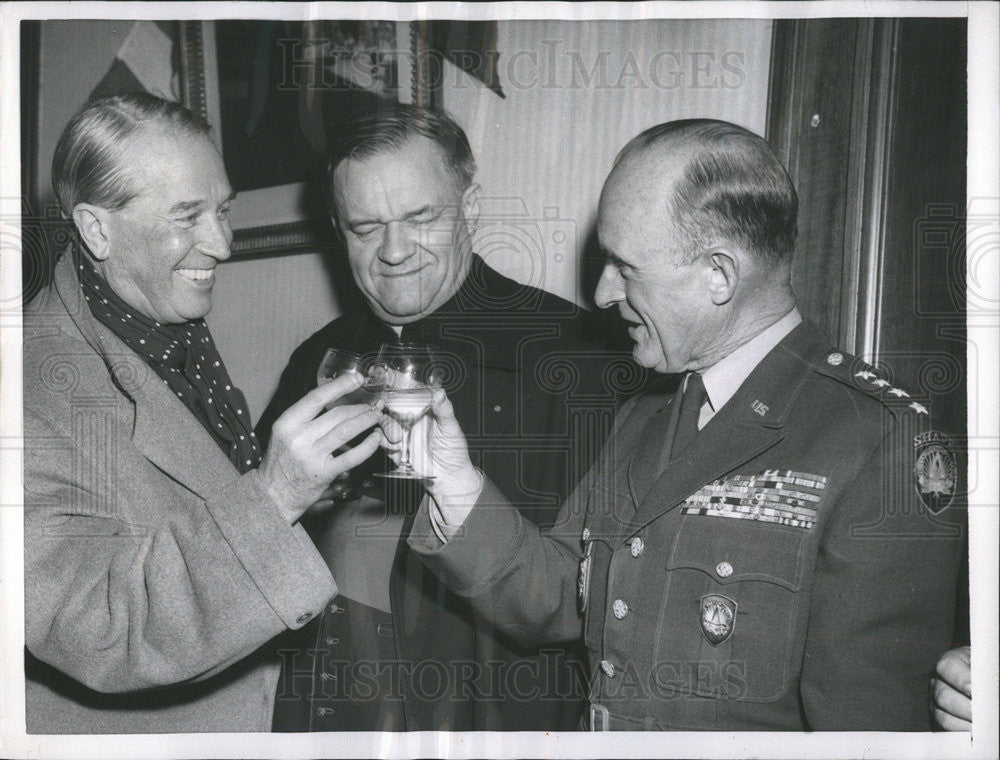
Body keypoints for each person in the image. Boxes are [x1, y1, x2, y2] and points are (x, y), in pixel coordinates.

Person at [398, 118, 967, 730]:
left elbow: (866, 729)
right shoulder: (646, 414)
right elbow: (564, 596)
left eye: (625, 266)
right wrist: (449, 477)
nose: (600, 292)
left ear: (719, 275)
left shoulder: (878, 439)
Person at [257, 103, 634, 731]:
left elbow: (591, 600)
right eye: (365, 226)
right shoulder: (315, 364)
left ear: (471, 204)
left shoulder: (578, 357)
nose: (394, 250)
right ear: (336, 228)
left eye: (420, 216)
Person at [23, 93, 381, 733]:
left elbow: (191, 503)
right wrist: (274, 495)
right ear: (95, 229)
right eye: (188, 217)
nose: (222, 244)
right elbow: (103, 628)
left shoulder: (159, 327)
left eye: (222, 210)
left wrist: (306, 490)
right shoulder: (26, 385)